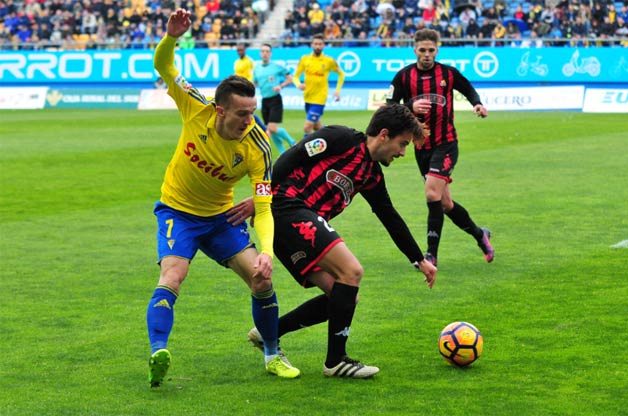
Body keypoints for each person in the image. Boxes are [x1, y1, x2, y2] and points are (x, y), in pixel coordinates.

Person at [145, 8, 300, 388]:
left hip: (219, 220)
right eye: (242, 114)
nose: (250, 120)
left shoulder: (258, 147)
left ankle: (271, 354)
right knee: (174, 275)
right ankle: (158, 352)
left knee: (261, 280)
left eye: (253, 113)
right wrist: (171, 38)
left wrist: (266, 249)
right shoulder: (195, 106)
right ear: (220, 110)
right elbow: (164, 66)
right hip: (177, 213)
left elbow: (263, 205)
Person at [231, 104, 437, 378]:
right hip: (286, 207)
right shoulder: (341, 138)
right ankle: (336, 361)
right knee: (352, 271)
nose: (402, 152)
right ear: (384, 135)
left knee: (345, 296)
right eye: (402, 144)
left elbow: (389, 217)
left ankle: (270, 332)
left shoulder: (371, 175)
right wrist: (262, 197)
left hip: (293, 226)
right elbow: (289, 158)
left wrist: (419, 259)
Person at [386, 28, 495, 268]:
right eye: (422, 50)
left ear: (437, 50)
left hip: (446, 144)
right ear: (415, 50)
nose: (427, 54)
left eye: (431, 50)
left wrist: (477, 104)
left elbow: (467, 88)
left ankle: (430, 255)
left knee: (431, 194)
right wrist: (411, 105)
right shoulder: (404, 77)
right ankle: (480, 235)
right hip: (421, 146)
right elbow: (390, 107)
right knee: (445, 204)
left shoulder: (448, 73)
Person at [292, 33, 345, 136]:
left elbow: (341, 74)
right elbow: (295, 76)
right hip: (307, 97)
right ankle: (331, 136)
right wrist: (298, 84)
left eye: (320, 44)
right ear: (312, 45)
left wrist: (337, 91)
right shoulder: (305, 59)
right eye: (315, 44)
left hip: (320, 98)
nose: (317, 46)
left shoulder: (329, 61)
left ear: (323, 45)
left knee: (307, 127)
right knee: (317, 127)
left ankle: (303, 151)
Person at [252, 43, 297, 155]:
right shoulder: (257, 69)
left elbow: (289, 79)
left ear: (270, 54)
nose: (265, 53)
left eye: (267, 51)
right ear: (260, 53)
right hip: (265, 100)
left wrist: (280, 86)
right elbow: (254, 83)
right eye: (263, 51)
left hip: (275, 100)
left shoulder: (276, 67)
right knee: (270, 129)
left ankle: (292, 141)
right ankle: (282, 152)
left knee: (271, 128)